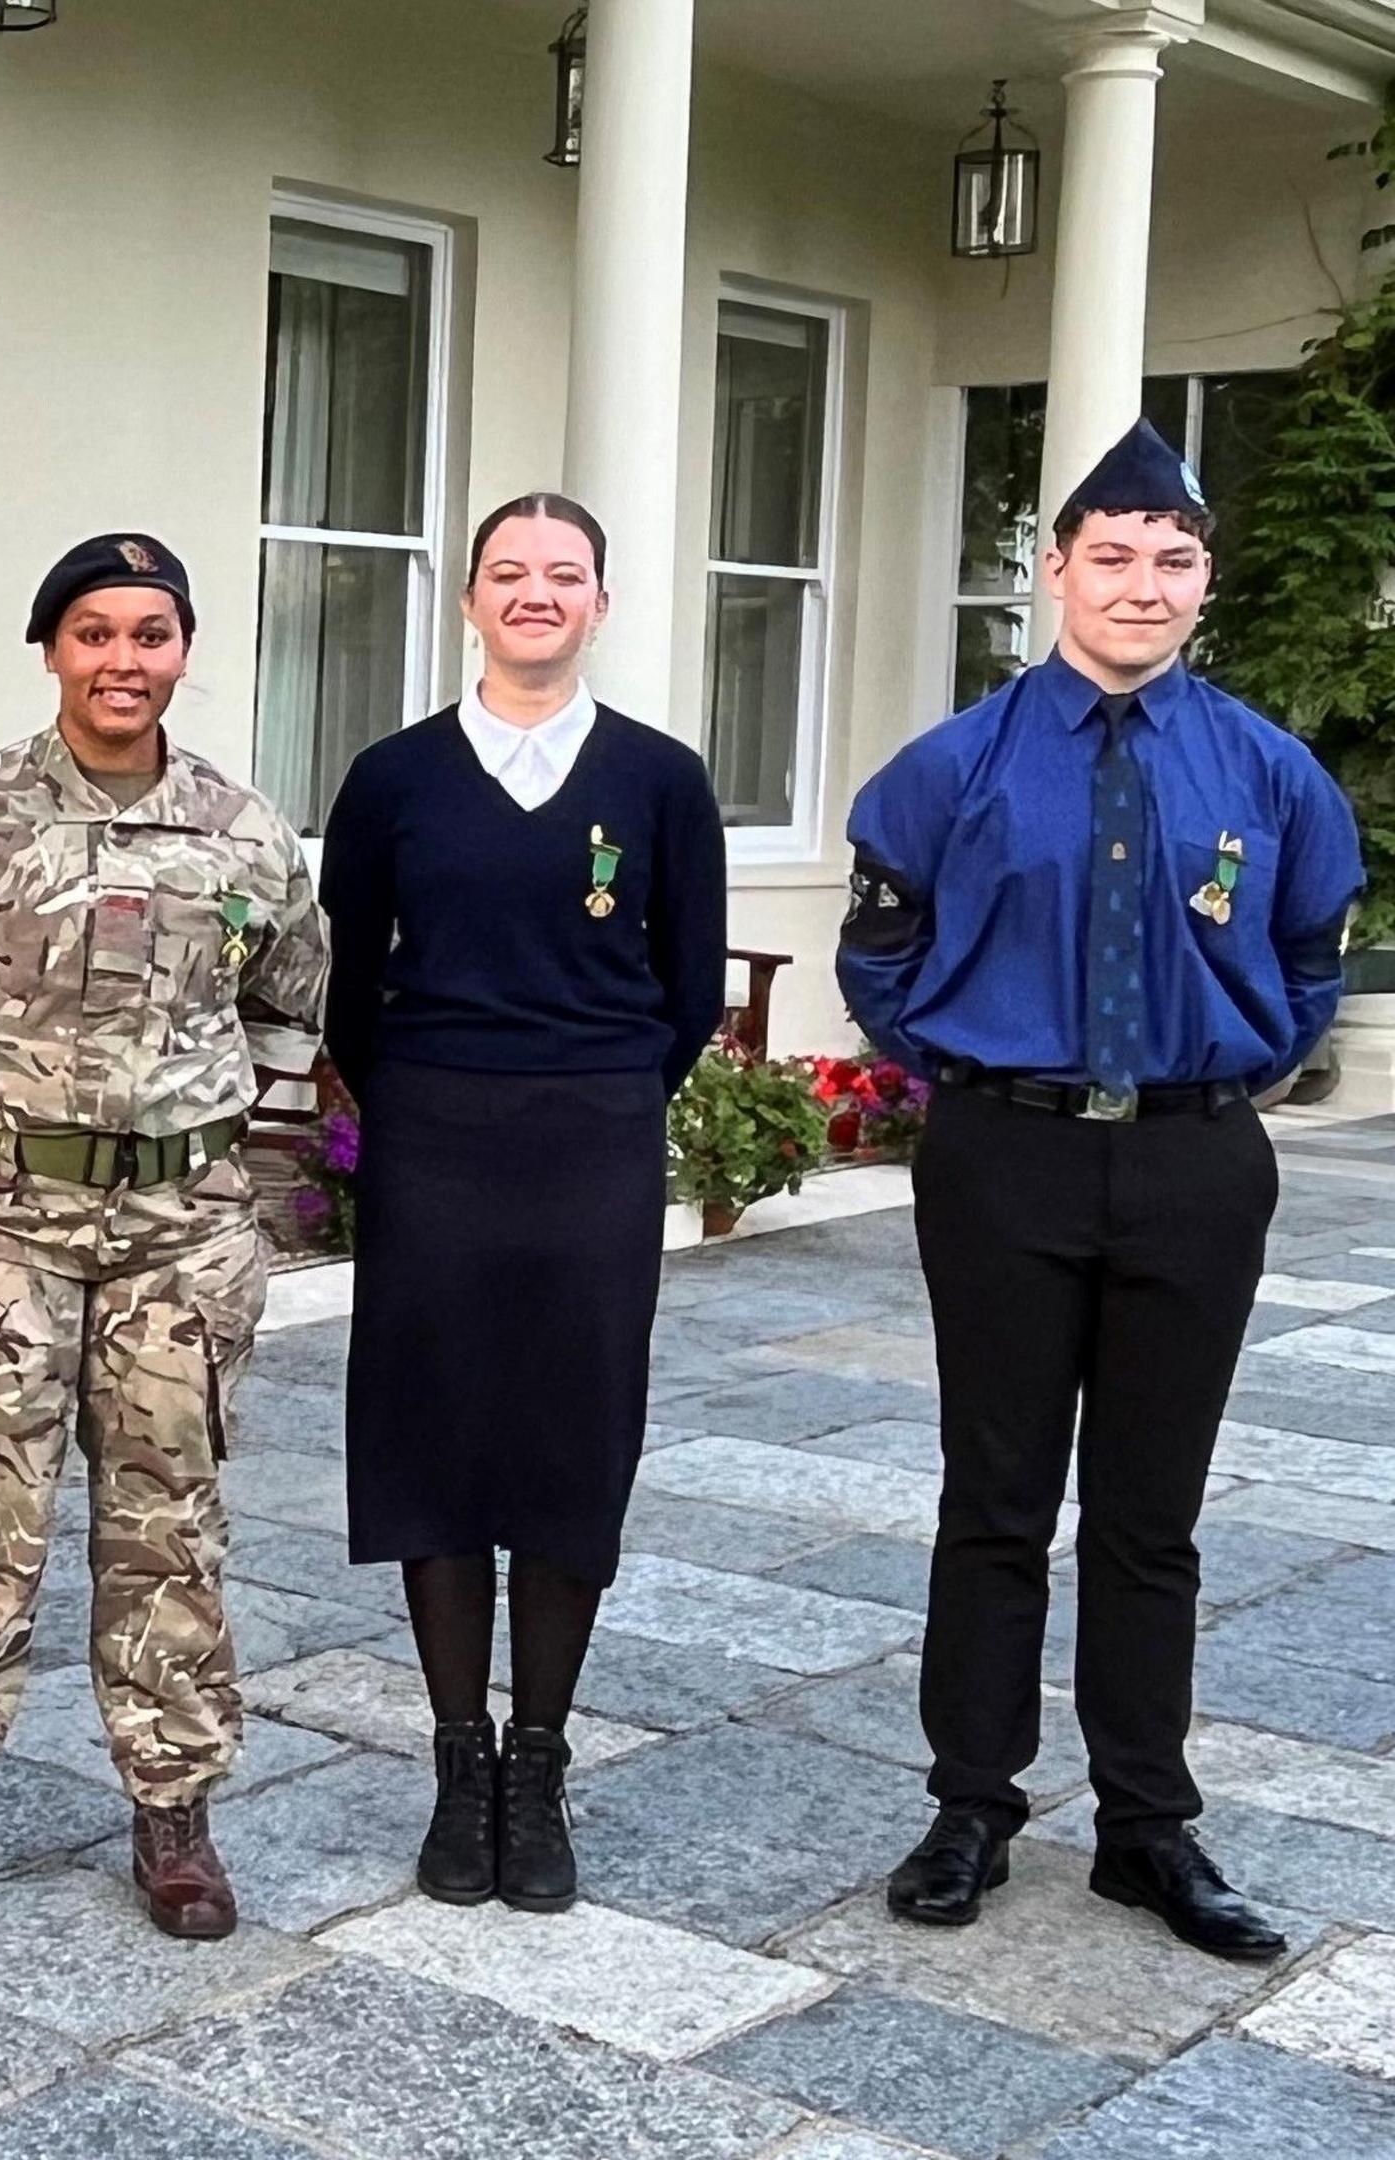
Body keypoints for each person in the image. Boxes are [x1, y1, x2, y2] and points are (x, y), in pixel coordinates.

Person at [843, 418, 1357, 1962]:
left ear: (1205, 584)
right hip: (1009, 1157)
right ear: (1052, 571)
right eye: (1113, 557)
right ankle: (972, 1805)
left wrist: (1233, 1076)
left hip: (1197, 1162)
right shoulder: (956, 766)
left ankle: (1148, 1825)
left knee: (1153, 1514)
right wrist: (977, 1074)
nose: (1142, 586)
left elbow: (1315, 955)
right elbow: (881, 954)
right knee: (994, 1498)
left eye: (1174, 561)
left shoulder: (1268, 772)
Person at [0, 532, 325, 1944]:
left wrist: (186, 1134)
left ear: (184, 651)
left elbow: (291, 1011)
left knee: (171, 1526)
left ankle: (173, 1812)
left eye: (151, 634)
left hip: (182, 1231)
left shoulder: (242, 831)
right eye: (96, 633)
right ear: (54, 649)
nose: (125, 661)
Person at [318, 494, 727, 1914]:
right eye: (511, 572)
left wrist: (593, 1089)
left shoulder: (662, 782)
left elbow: (688, 994)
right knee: (436, 1434)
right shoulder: (394, 779)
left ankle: (538, 1762)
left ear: (600, 603)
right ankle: (456, 1759)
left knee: (567, 1435)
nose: (536, 593)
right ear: (471, 601)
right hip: (433, 1130)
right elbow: (346, 982)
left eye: (565, 574)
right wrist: (431, 1090)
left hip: (596, 1137)